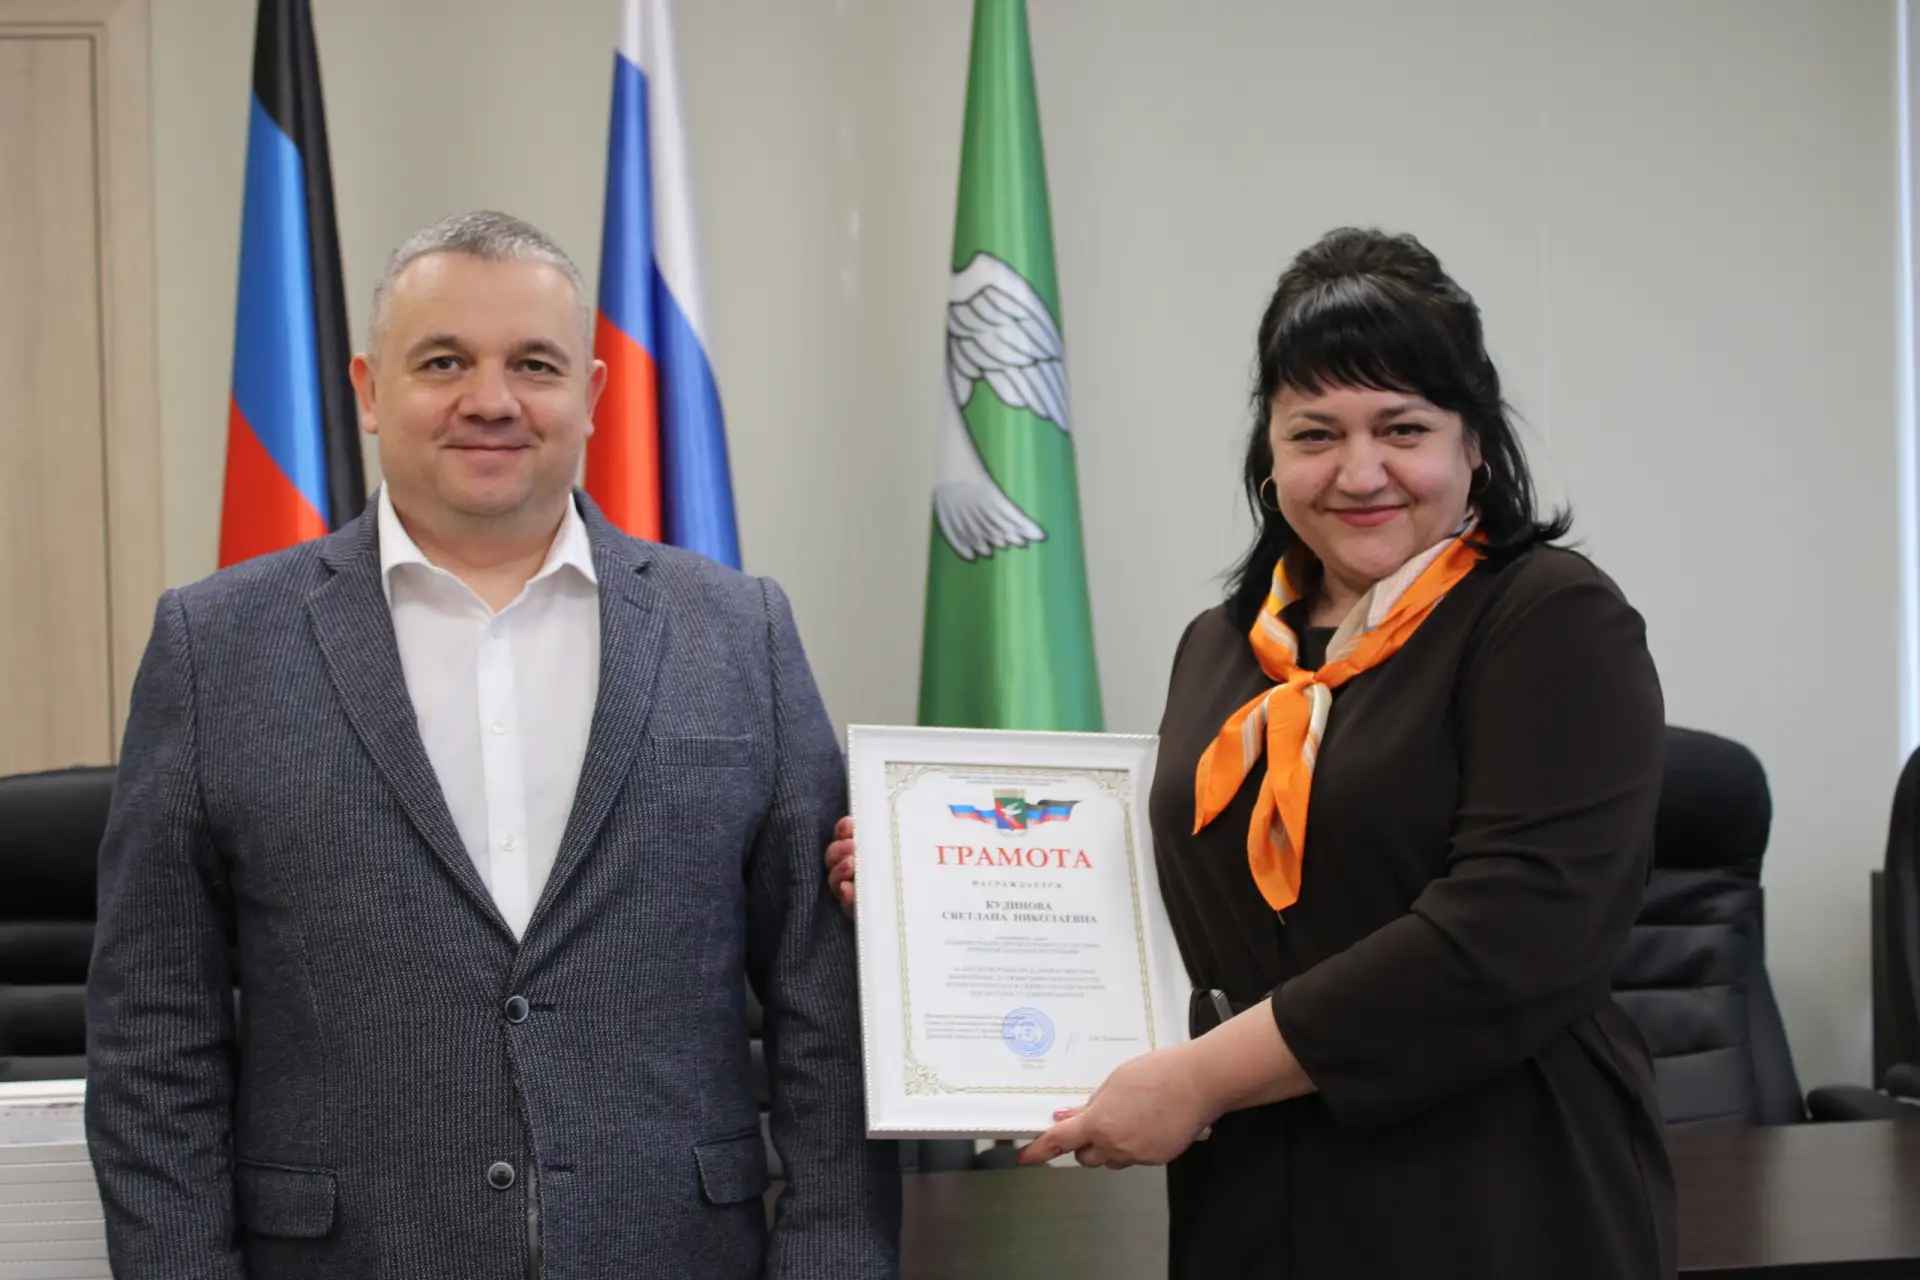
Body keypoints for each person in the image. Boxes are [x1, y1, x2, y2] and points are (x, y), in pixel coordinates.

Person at [826, 227, 1674, 1278]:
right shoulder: (1223, 647)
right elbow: (1171, 910)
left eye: (1403, 427)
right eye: (1315, 432)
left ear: (1475, 447)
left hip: (1492, 1191)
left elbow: (1512, 933)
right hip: (1252, 1198)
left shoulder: (1548, 618)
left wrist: (1203, 1079)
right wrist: (933, 891)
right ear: (1269, 457)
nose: (1359, 470)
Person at [87, 210, 900, 1280]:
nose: (491, 399)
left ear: (592, 395)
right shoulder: (216, 645)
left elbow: (825, 1012)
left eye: (533, 364)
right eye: (443, 362)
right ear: (369, 390)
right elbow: (153, 1037)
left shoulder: (738, 630)